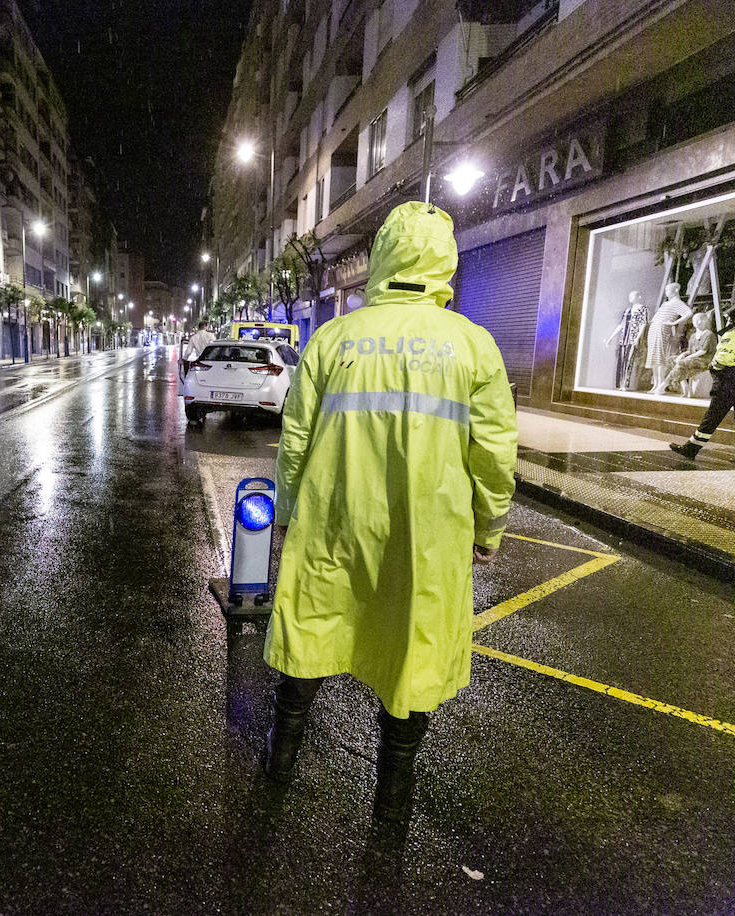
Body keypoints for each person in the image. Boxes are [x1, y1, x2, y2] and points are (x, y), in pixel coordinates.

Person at [262, 202, 518, 873]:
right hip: (425, 536)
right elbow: (493, 454)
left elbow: (295, 441)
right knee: (410, 664)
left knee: (308, 646)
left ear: (380, 261)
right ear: (442, 262)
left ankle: (275, 775)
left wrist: (287, 512)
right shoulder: (472, 345)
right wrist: (489, 526)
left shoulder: (333, 340)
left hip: (333, 523)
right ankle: (390, 817)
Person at [669, 302, 735, 468]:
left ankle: (691, 448)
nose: (729, 318)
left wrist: (713, 368)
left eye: (731, 315)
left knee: (713, 416)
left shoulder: (734, 334)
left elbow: (723, 359)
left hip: (731, 380)